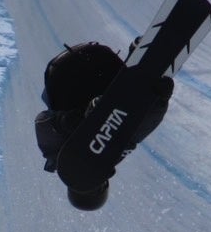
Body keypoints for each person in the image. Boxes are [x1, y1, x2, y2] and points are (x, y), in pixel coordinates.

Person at [34, 41, 173, 210]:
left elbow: (42, 121)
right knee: (125, 119)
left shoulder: (56, 155)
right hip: (101, 64)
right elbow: (135, 132)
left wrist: (79, 118)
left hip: (65, 75)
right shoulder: (108, 156)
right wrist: (159, 101)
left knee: (63, 108)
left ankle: (136, 68)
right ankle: (138, 61)